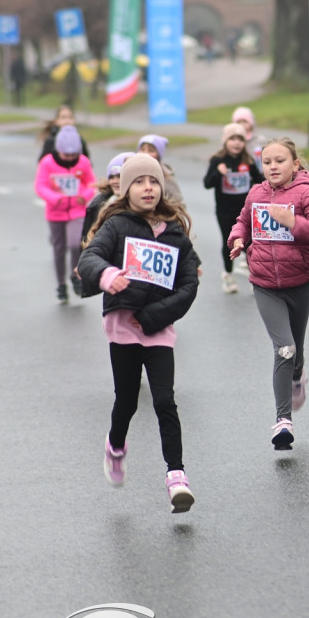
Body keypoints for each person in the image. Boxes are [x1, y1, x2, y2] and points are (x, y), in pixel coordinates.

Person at [77, 153, 200, 513]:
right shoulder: (117, 226)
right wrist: (108, 276)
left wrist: (155, 316)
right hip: (123, 330)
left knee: (165, 401)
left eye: (153, 181)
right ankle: (115, 446)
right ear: (126, 189)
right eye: (139, 182)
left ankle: (177, 476)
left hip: (158, 329)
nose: (148, 188)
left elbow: (189, 284)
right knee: (127, 401)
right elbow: (90, 258)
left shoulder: (175, 232)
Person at [227, 138, 309, 450]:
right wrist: (237, 240)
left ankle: (299, 375)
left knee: (297, 352)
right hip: (264, 284)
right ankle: (282, 422)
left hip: (299, 282)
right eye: (267, 162)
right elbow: (243, 223)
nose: (273, 167)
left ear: (295, 164)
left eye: (280, 161)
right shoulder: (257, 193)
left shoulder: (305, 193)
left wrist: (295, 223)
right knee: (284, 348)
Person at [34, 125, 97, 304]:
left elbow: (91, 183)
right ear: (58, 150)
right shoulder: (47, 163)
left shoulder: (83, 162)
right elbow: (40, 186)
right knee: (59, 249)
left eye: (73, 155)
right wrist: (55, 198)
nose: (70, 158)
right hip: (55, 212)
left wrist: (82, 196)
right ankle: (61, 285)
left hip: (77, 211)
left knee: (75, 243)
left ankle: (75, 275)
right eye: (66, 155)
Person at [203, 123, 263, 294]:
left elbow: (259, 180)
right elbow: (207, 183)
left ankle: (255, 277)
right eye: (232, 139)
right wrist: (218, 173)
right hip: (224, 210)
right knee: (229, 242)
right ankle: (228, 276)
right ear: (225, 141)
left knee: (250, 242)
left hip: (245, 210)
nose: (237, 143)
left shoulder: (248, 160)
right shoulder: (218, 160)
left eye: (240, 139)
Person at [82, 152, 134, 244]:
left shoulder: (144, 204)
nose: (115, 181)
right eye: (111, 177)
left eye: (119, 176)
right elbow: (87, 239)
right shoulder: (98, 204)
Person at [137, 134, 184, 205]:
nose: (145, 153)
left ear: (159, 155)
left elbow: (179, 205)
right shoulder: (132, 174)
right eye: (142, 149)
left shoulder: (167, 179)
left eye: (151, 150)